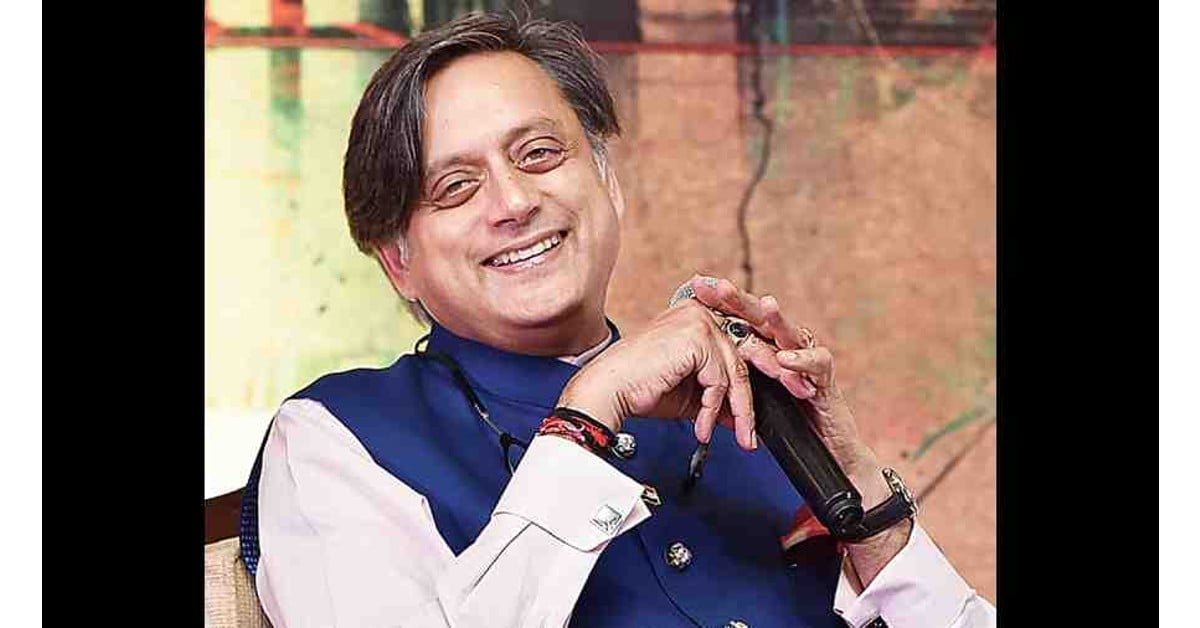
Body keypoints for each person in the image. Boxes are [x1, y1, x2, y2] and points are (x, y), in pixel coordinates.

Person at [237, 11, 997, 628]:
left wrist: (862, 498)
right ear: (397, 260)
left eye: (540, 154)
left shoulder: (739, 407)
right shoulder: (338, 439)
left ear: (608, 182)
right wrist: (588, 413)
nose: (514, 202)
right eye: (456, 187)